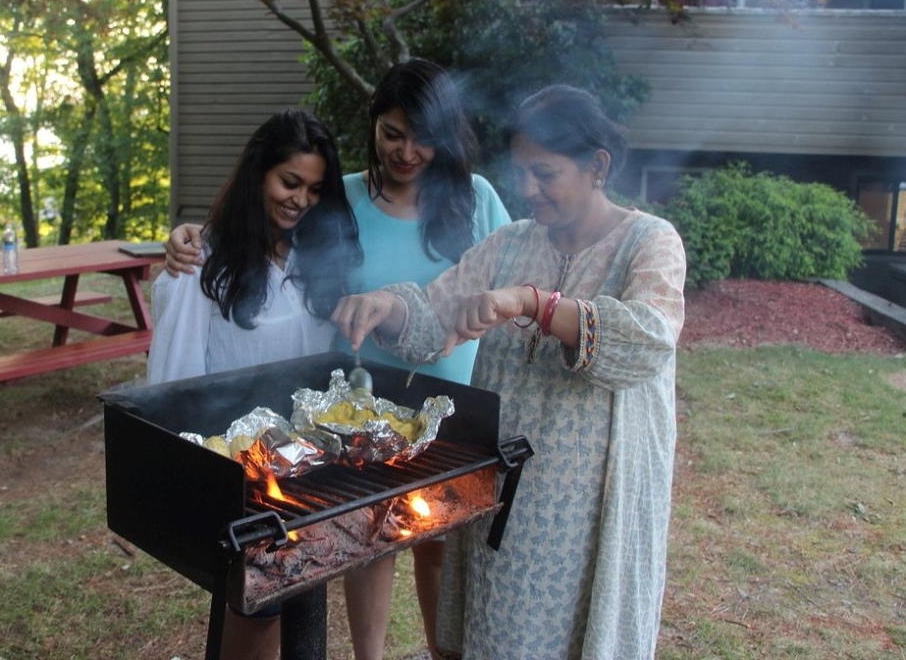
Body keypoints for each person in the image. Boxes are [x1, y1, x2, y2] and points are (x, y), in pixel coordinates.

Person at [163, 58, 510, 659]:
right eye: (392, 134)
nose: (406, 152)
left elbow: (517, 271)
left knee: (440, 549)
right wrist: (193, 235)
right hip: (355, 413)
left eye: (423, 138)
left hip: (453, 409)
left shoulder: (474, 200)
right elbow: (266, 229)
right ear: (373, 124)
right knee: (365, 536)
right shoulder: (340, 196)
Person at [331, 84, 686, 659]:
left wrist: (536, 304)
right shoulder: (509, 243)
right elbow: (434, 313)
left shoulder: (648, 243)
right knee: (500, 629)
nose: (526, 189)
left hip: (590, 499)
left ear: (597, 166)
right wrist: (387, 306)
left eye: (544, 174)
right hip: (507, 485)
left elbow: (647, 339)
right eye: (520, 172)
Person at [146, 108, 361, 659]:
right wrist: (181, 474)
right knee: (257, 610)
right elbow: (174, 376)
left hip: (309, 467)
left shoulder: (315, 259)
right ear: (257, 173)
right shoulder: (203, 263)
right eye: (289, 182)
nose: (300, 200)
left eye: (314, 189)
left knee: (308, 600)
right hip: (241, 474)